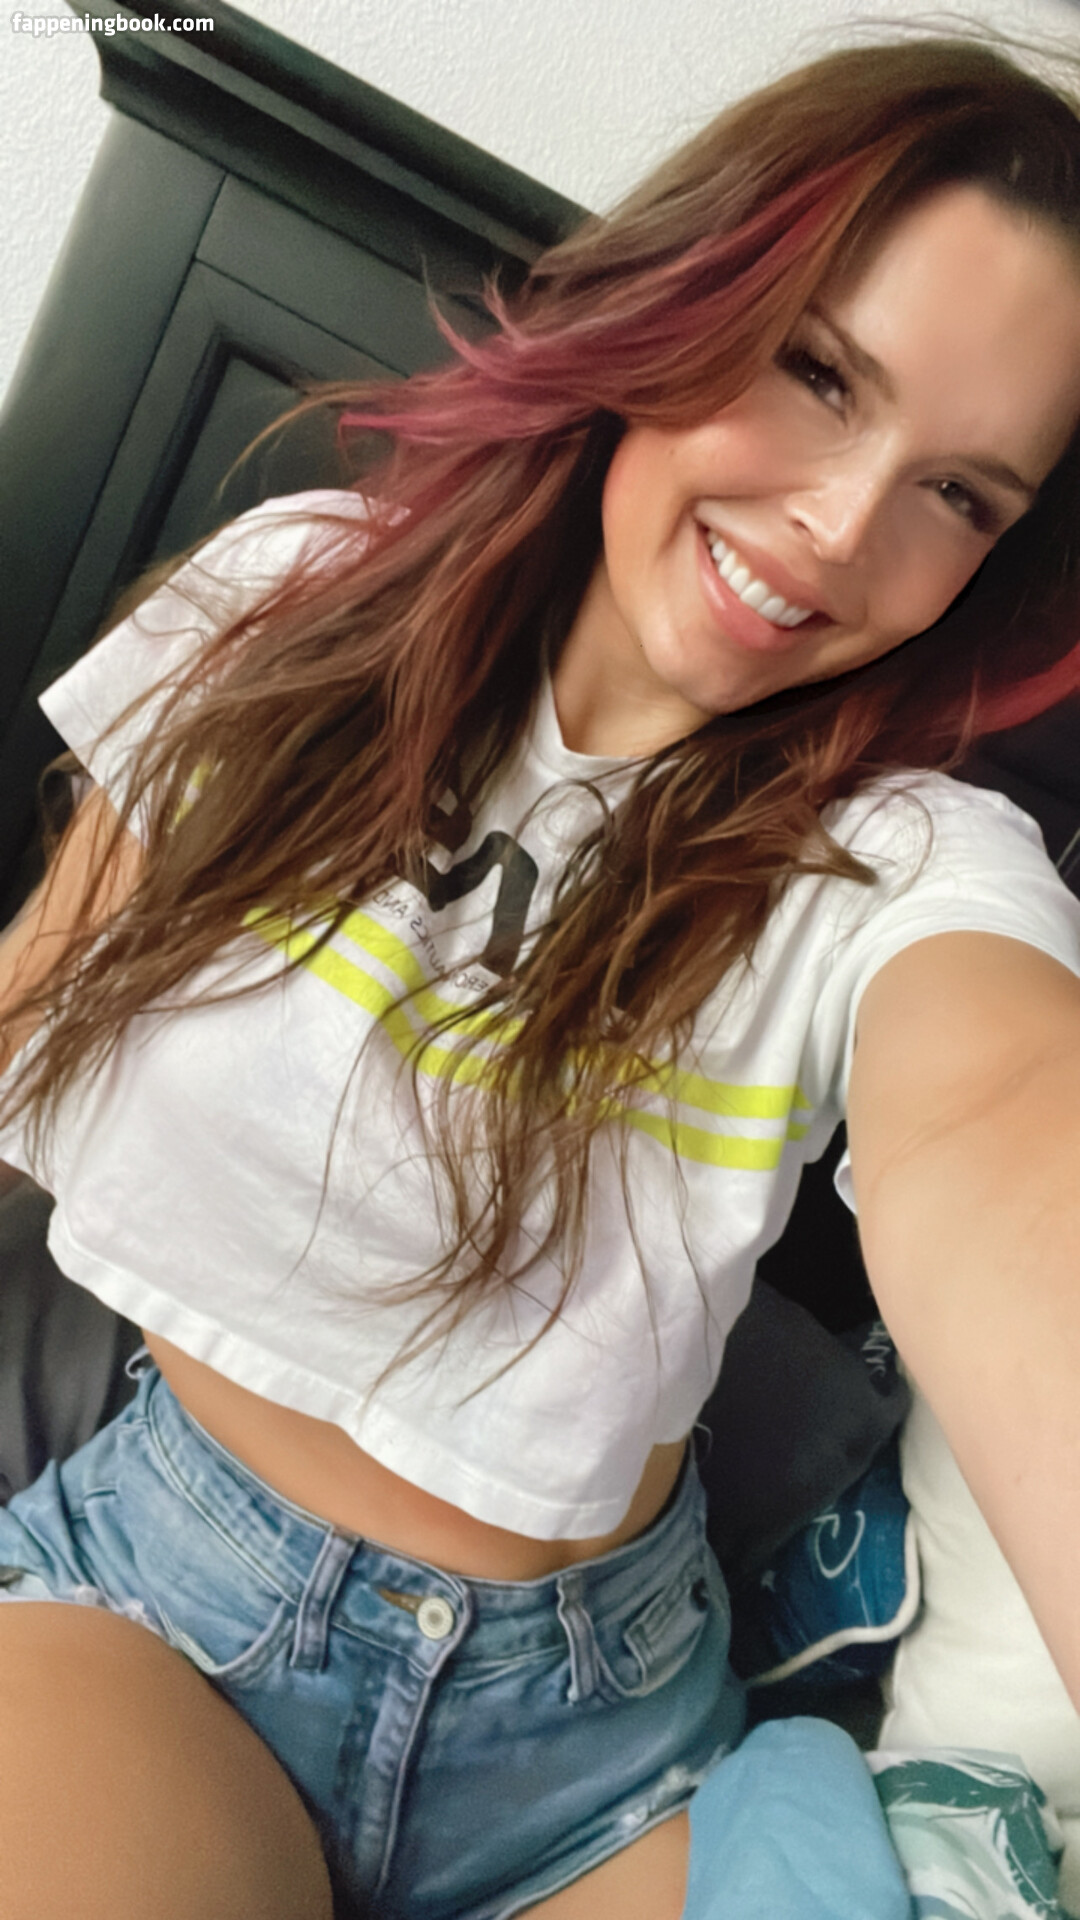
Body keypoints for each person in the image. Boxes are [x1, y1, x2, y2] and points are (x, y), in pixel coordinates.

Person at [1, 31, 1080, 1920]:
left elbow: (1005, 1127)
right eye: (821, 373)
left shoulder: (904, 862)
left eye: (961, 496)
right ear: (687, 297)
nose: (846, 530)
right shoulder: (289, 609)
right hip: (164, 1623)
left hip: (602, 1742)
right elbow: (37, 993)